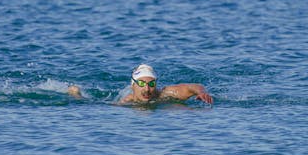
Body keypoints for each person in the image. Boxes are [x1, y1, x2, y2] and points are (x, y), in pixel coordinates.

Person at [67, 64, 213, 105]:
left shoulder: (166, 93)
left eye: (151, 84)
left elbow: (193, 86)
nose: (147, 89)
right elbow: (96, 105)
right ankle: (75, 93)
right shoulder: (128, 100)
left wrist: (201, 92)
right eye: (141, 83)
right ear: (133, 85)